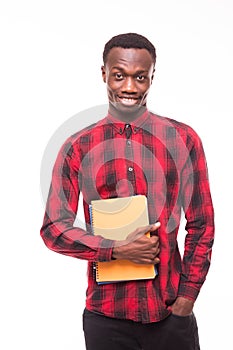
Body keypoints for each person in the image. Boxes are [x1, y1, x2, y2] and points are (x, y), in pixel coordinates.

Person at [40, 33, 214, 350]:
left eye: (140, 77)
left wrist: (187, 298)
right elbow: (54, 228)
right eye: (119, 76)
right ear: (104, 74)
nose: (130, 88)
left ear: (152, 77)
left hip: (170, 314)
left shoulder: (183, 139)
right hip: (105, 317)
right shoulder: (77, 147)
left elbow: (202, 224)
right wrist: (116, 249)